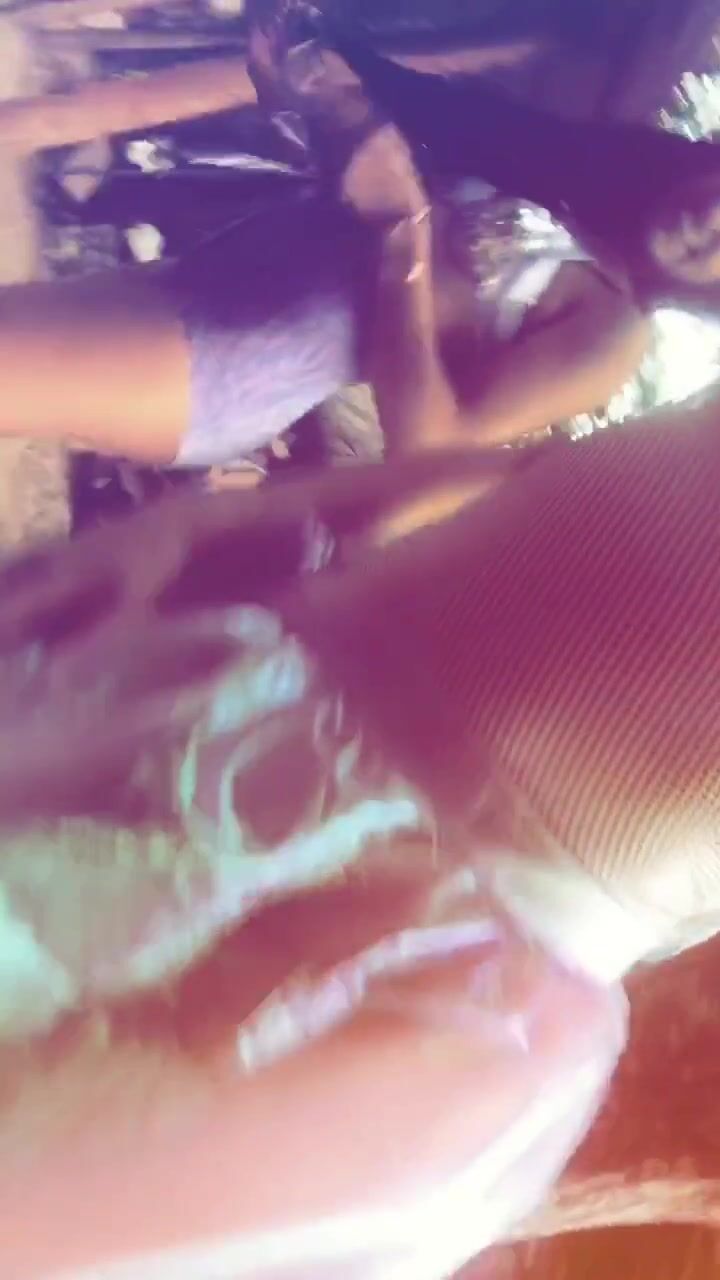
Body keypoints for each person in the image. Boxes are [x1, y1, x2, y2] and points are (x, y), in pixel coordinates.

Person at [0, 33, 657, 472]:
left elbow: (430, 452)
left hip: (225, 359)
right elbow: (362, 200)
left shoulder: (614, 334)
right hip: (203, 288)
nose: (704, 226)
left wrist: (404, 236)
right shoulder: (569, 216)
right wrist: (315, 109)